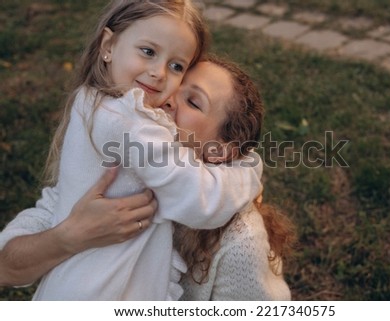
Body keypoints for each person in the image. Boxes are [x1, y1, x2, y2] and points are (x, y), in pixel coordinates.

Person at [0, 0, 263, 300]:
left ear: (221, 149)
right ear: (108, 46)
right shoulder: (131, 124)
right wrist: (247, 170)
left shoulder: (94, 105)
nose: (161, 77)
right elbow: (202, 201)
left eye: (176, 66)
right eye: (148, 52)